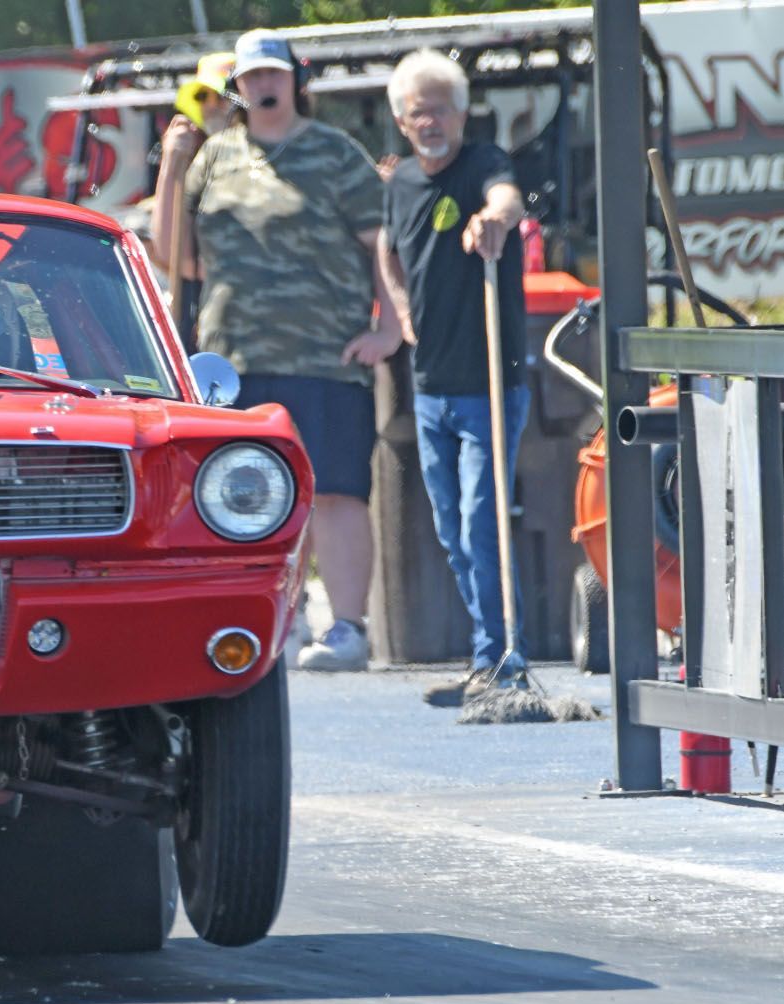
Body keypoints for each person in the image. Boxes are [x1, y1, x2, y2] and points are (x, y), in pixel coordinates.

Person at [176, 30, 403, 671]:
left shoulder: (335, 153)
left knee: (335, 491)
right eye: (251, 77)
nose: (264, 86)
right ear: (237, 87)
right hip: (233, 359)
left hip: (324, 354)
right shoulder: (213, 156)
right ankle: (280, 617)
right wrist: (172, 168)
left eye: (274, 74)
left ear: (294, 80)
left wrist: (389, 327)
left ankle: (349, 628)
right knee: (244, 495)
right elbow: (179, 260)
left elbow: (381, 243)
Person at [377, 49, 530, 707]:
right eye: (418, 111)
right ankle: (488, 650)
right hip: (430, 385)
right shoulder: (399, 184)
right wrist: (400, 308)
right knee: (449, 528)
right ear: (401, 120)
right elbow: (386, 248)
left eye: (441, 108)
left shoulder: (482, 164)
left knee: (478, 519)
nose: (430, 120)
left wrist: (494, 218)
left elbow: (506, 195)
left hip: (490, 383)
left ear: (461, 113)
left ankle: (498, 658)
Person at [148, 50, 237, 330]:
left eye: (221, 96)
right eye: (201, 96)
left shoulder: (270, 161)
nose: (210, 105)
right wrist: (171, 162)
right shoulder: (200, 165)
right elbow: (174, 255)